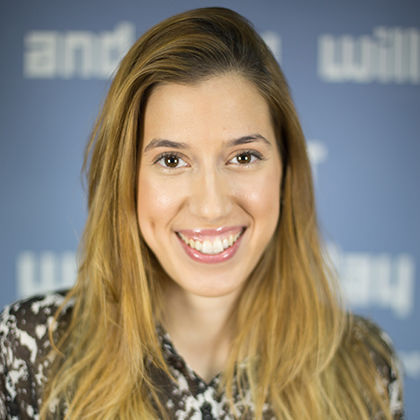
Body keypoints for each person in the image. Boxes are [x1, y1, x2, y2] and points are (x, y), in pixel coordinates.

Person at [0, 7, 404, 420]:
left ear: (287, 170)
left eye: (243, 157)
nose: (211, 207)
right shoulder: (30, 354)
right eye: (172, 160)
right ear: (125, 178)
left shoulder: (364, 367)